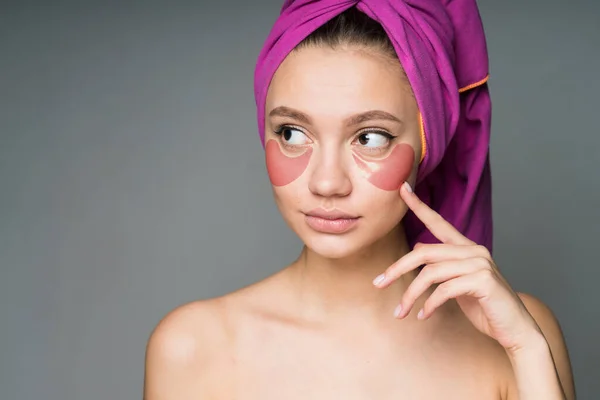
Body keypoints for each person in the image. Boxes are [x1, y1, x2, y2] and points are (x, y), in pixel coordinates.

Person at [143, 1, 575, 399]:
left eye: (371, 138)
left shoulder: (519, 334)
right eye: (292, 133)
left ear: (429, 146)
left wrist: (528, 351)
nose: (327, 183)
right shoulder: (191, 348)